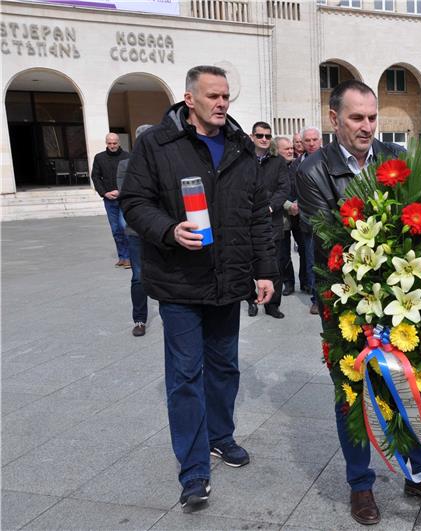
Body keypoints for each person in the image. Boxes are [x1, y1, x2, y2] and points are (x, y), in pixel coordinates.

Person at [296, 80, 421, 526]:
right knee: (353, 392)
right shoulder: (312, 171)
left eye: (371, 117)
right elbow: (330, 238)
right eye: (356, 118)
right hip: (346, 302)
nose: (367, 127)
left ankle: (416, 471)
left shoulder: (396, 159)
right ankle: (360, 485)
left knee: (409, 384)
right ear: (334, 120)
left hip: (403, 297)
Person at [120, 65, 277, 511]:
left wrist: (266, 272)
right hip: (179, 282)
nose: (222, 103)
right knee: (186, 374)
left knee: (225, 367)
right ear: (190, 99)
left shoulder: (241, 148)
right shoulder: (157, 143)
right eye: (212, 96)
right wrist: (169, 231)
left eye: (226, 95)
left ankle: (220, 436)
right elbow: (134, 202)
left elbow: (256, 217)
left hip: (228, 282)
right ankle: (192, 469)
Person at [245, 122, 290, 319]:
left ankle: (273, 305)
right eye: (260, 135)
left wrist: (270, 207)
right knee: (247, 265)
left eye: (267, 136)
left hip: (272, 221)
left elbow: (284, 189)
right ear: (252, 136)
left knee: (275, 264)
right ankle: (251, 300)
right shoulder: (243, 161)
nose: (264, 139)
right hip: (248, 221)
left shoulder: (278, 161)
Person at [116, 124, 153, 336]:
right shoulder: (125, 165)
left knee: (166, 275)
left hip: (162, 231)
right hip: (137, 231)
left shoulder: (164, 164)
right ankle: (139, 319)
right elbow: (128, 197)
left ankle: (169, 314)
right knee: (138, 276)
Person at [290, 126, 322, 313]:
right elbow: (292, 190)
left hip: (328, 219)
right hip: (308, 222)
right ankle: (316, 299)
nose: (311, 144)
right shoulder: (297, 164)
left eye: (314, 140)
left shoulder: (329, 160)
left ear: (320, 140)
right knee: (312, 261)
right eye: (307, 141)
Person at [274, 136, 309, 298]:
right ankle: (288, 283)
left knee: (304, 250)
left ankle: (305, 282)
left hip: (300, 215)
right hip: (283, 218)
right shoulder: (272, 167)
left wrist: (299, 203)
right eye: (286, 149)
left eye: (291, 148)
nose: (291, 151)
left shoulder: (297, 165)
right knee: (283, 252)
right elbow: (273, 192)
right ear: (277, 150)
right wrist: (289, 205)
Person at [91, 132, 130, 268]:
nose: (112, 145)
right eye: (109, 143)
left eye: (114, 143)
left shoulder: (127, 157)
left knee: (125, 226)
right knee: (116, 230)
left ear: (119, 142)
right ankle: (122, 256)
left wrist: (121, 191)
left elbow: (132, 177)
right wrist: (105, 193)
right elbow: (96, 177)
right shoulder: (99, 158)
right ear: (106, 143)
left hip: (124, 199)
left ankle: (130, 257)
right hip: (109, 199)